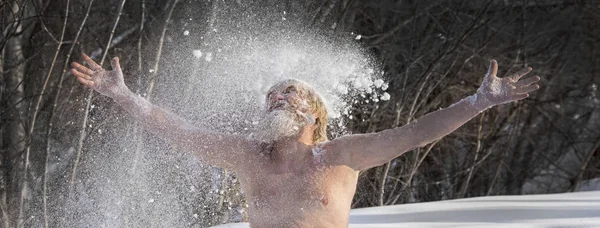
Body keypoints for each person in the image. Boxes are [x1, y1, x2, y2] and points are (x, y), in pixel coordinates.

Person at [71, 53, 540, 227]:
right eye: (271, 96)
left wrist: (478, 102)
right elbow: (181, 132)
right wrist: (125, 96)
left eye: (288, 94)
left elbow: (415, 134)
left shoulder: (341, 155)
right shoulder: (248, 157)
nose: (275, 99)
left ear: (314, 112)